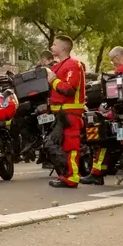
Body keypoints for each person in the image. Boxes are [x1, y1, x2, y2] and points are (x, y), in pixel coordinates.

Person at [81, 45, 123, 185]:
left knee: (103, 138)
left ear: (117, 57)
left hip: (120, 111)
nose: (113, 63)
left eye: (112, 60)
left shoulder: (120, 71)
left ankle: (97, 174)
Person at [43, 35, 86, 188]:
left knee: (70, 146)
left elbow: (69, 89)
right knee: (57, 146)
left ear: (63, 48)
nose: (51, 47)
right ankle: (65, 175)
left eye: (54, 44)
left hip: (69, 114)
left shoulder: (73, 65)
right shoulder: (57, 67)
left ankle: (72, 177)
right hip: (59, 114)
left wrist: (53, 80)